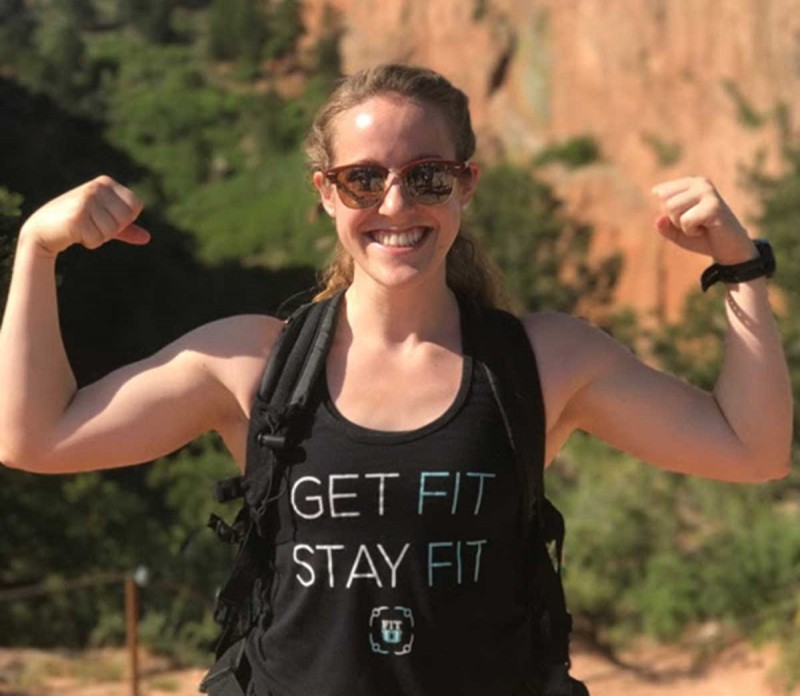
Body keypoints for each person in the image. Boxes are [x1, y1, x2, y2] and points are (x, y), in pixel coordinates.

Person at [0, 63, 792, 696]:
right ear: (326, 193)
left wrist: (741, 268)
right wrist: (37, 248)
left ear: (466, 183)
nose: (395, 202)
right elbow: (35, 437)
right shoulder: (253, 364)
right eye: (362, 179)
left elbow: (750, 450)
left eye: (427, 177)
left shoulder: (541, 362)